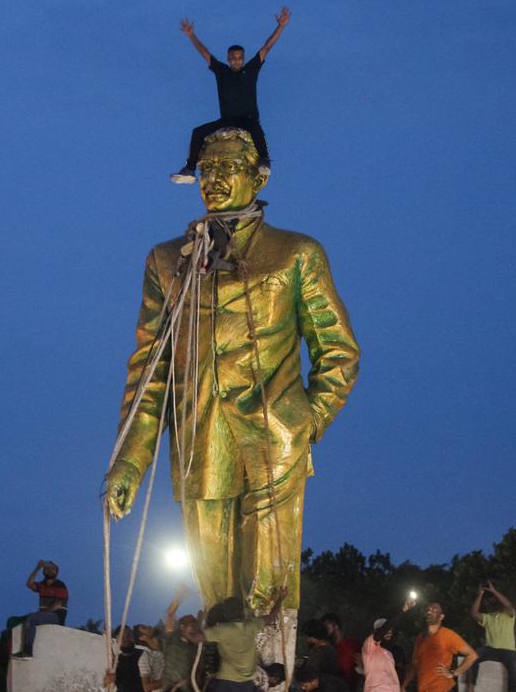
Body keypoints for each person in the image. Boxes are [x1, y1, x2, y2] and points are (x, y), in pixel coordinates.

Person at [104, 127, 361, 668]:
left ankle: (272, 677)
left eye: (227, 168)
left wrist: (304, 423)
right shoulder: (167, 261)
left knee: (270, 589)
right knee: (216, 592)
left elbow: (339, 351)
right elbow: (150, 370)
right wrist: (130, 458)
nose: (214, 180)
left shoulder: (295, 253)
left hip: (275, 443)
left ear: (258, 176)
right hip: (199, 444)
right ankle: (228, 678)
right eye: (205, 169)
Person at [170, 8, 290, 184]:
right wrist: (191, 35)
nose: (236, 60)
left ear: (243, 58)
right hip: (227, 120)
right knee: (197, 132)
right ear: (228, 58)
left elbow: (267, 46)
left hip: (247, 119)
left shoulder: (250, 69)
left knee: (255, 128)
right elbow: (205, 53)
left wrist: (281, 26)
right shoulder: (222, 71)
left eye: (239, 58)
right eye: (233, 58)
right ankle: (189, 168)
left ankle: (264, 161)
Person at [203, 589, 287, 691]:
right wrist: (280, 599)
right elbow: (271, 617)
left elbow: (196, 638)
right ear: (242, 612)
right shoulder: (251, 625)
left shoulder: (220, 631)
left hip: (224, 681)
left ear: (225, 614)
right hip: (241, 684)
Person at [405, 602, 478, 692]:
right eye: (428, 608)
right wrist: (404, 685)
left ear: (441, 617)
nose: (429, 610)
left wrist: (453, 673)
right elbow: (414, 664)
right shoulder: (420, 637)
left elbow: (472, 655)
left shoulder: (448, 635)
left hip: (442, 688)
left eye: (434, 609)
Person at [465, 581, 516, 692]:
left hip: (508, 650)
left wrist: (494, 591)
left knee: (514, 668)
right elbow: (474, 613)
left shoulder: (509, 615)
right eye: (488, 602)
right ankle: (471, 688)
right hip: (491, 649)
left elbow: (508, 605)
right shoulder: (488, 617)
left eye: (492, 601)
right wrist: (480, 594)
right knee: (473, 656)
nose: (489, 603)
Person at [363, 595, 417, 692]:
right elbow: (382, 632)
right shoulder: (369, 646)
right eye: (385, 630)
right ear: (376, 631)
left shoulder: (389, 654)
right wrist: (403, 610)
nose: (389, 632)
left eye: (390, 630)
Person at [17, 559, 68, 656]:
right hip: (45, 615)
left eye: (53, 569)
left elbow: (58, 604)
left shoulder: (60, 585)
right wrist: (37, 568)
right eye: (47, 569)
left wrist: (42, 613)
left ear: (56, 572)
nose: (50, 571)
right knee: (24, 620)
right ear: (44, 572)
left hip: (56, 617)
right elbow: (29, 584)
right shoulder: (42, 585)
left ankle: (27, 652)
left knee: (32, 618)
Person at [163, 585, 207, 691]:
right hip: (171, 688)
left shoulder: (198, 646)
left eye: (195, 624)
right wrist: (178, 596)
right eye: (190, 624)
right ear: (182, 627)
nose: (193, 628)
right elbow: (170, 614)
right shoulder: (173, 639)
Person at [321, 613, 362, 690]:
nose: (324, 629)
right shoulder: (326, 649)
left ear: (335, 625)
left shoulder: (353, 644)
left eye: (326, 624)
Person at [104, 625, 147, 692]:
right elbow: (107, 684)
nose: (126, 638)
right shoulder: (116, 661)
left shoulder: (144, 655)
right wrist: (107, 681)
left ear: (133, 637)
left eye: (128, 635)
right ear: (117, 641)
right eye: (122, 637)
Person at [136, 623, 168, 691]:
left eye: (147, 625)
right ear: (142, 638)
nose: (149, 626)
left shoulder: (166, 646)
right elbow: (147, 687)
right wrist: (169, 680)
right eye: (144, 628)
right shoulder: (145, 658)